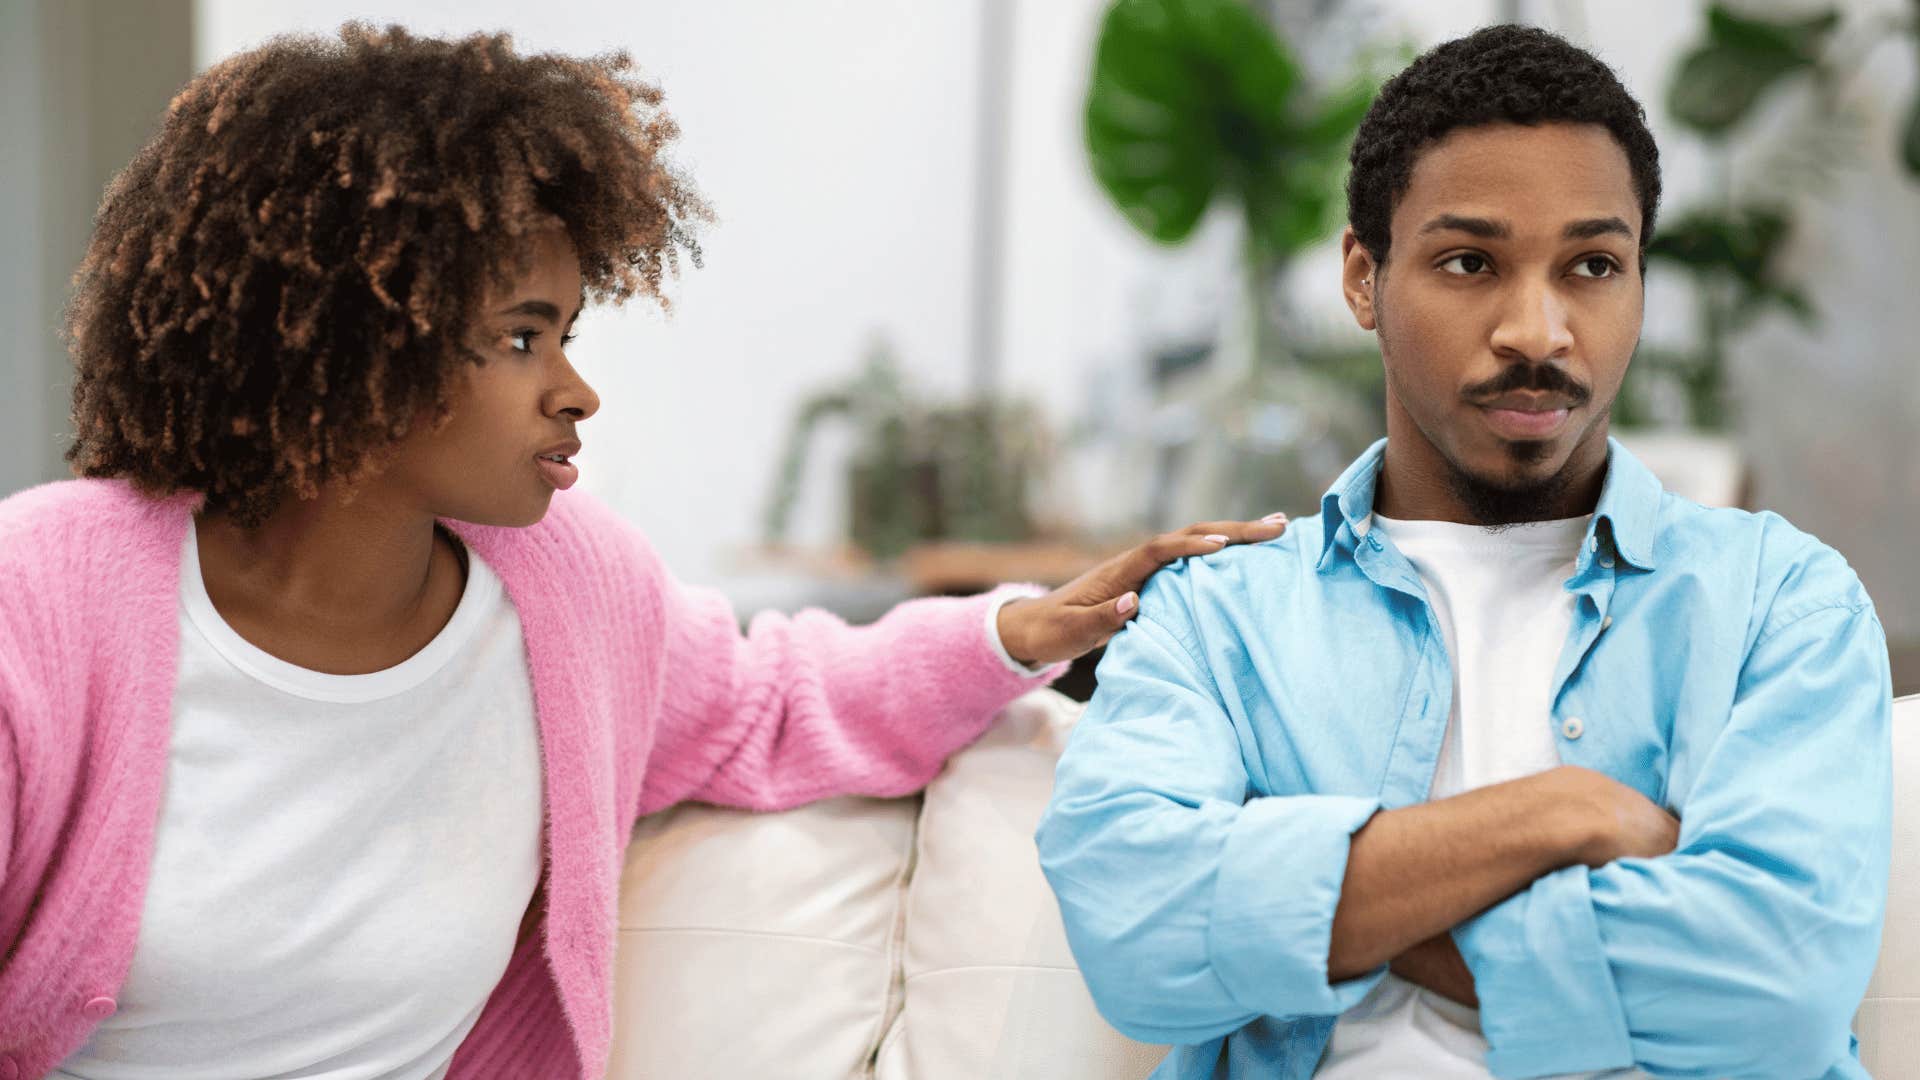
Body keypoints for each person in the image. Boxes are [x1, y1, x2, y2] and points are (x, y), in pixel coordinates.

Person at [0, 25, 1290, 1079]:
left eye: (566, 331)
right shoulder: (44, 598)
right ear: (350, 338)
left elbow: (769, 709)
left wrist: (1014, 631)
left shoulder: (570, 587)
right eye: (521, 338)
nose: (575, 391)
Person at [1037, 24, 1890, 1080]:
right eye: (1469, 262)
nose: (1537, 330)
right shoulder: (1220, 617)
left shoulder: (1780, 602)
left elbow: (1776, 992)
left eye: (1592, 264)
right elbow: (1139, 936)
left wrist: (1320, 906)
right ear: (1364, 278)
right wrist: (1561, 814)